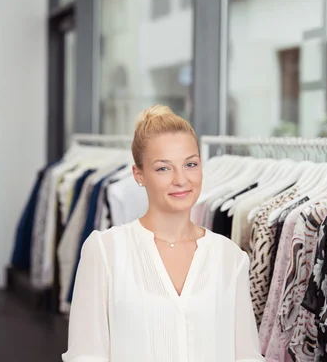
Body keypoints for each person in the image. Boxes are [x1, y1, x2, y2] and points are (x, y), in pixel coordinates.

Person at [62, 105, 263, 362]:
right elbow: (86, 356)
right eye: (163, 168)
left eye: (190, 164)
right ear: (139, 174)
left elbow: (247, 357)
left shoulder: (230, 258)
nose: (181, 179)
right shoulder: (105, 251)